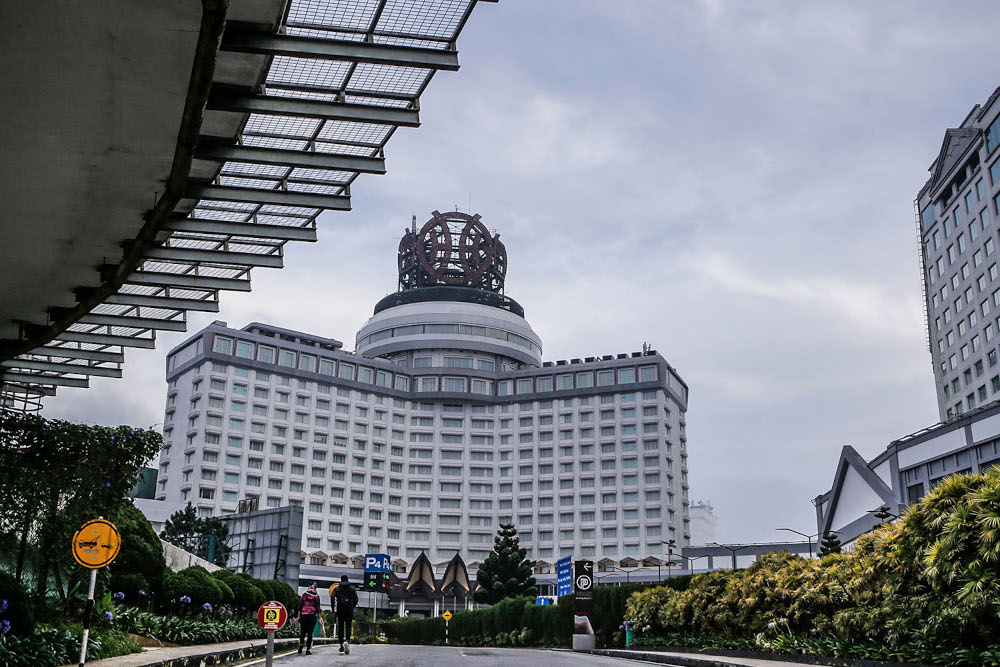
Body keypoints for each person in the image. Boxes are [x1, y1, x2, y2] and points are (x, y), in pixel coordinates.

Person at [332, 574, 358, 654]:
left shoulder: (337, 589)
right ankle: (347, 640)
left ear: (341, 580)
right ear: (347, 580)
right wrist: (352, 606)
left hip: (340, 609)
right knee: (348, 625)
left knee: (340, 626)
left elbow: (332, 597)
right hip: (349, 609)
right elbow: (356, 599)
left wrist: (333, 608)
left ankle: (341, 645)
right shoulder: (352, 589)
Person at [297, 583, 321, 655]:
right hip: (312, 616)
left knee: (303, 632)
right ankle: (308, 650)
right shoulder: (316, 596)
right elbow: (318, 608)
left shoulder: (304, 595)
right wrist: (319, 618)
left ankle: (301, 645)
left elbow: (300, 606)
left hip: (304, 615)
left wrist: (298, 616)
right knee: (310, 633)